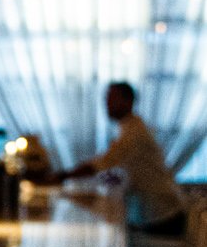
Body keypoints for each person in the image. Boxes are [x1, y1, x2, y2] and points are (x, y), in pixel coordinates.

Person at [50, 82, 186, 234]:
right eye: (106, 99)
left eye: (111, 98)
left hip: (165, 216)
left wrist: (62, 176)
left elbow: (102, 163)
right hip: (158, 214)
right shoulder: (130, 127)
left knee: (112, 235)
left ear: (128, 101)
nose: (106, 104)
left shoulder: (134, 133)